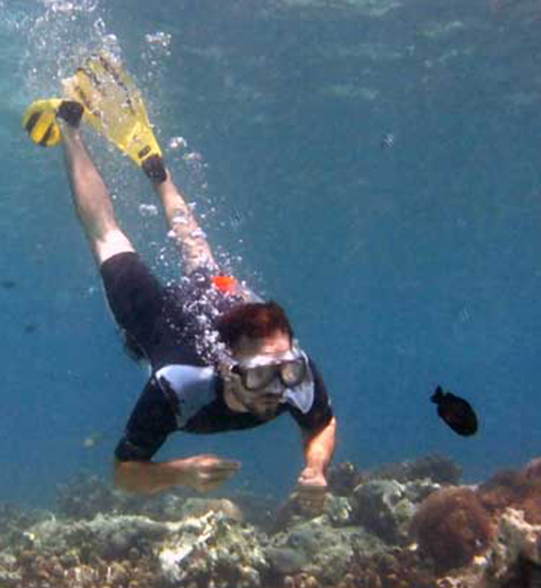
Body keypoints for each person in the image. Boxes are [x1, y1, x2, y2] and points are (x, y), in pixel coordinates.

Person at [22, 52, 336, 504]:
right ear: (227, 368)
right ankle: (69, 123)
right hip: (163, 324)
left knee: (205, 264)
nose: (278, 391)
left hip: (221, 303)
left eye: (286, 371)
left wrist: (315, 466)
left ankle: (158, 171)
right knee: (108, 237)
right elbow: (125, 472)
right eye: (262, 377)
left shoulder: (293, 373)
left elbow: (323, 422)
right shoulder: (177, 385)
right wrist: (178, 473)